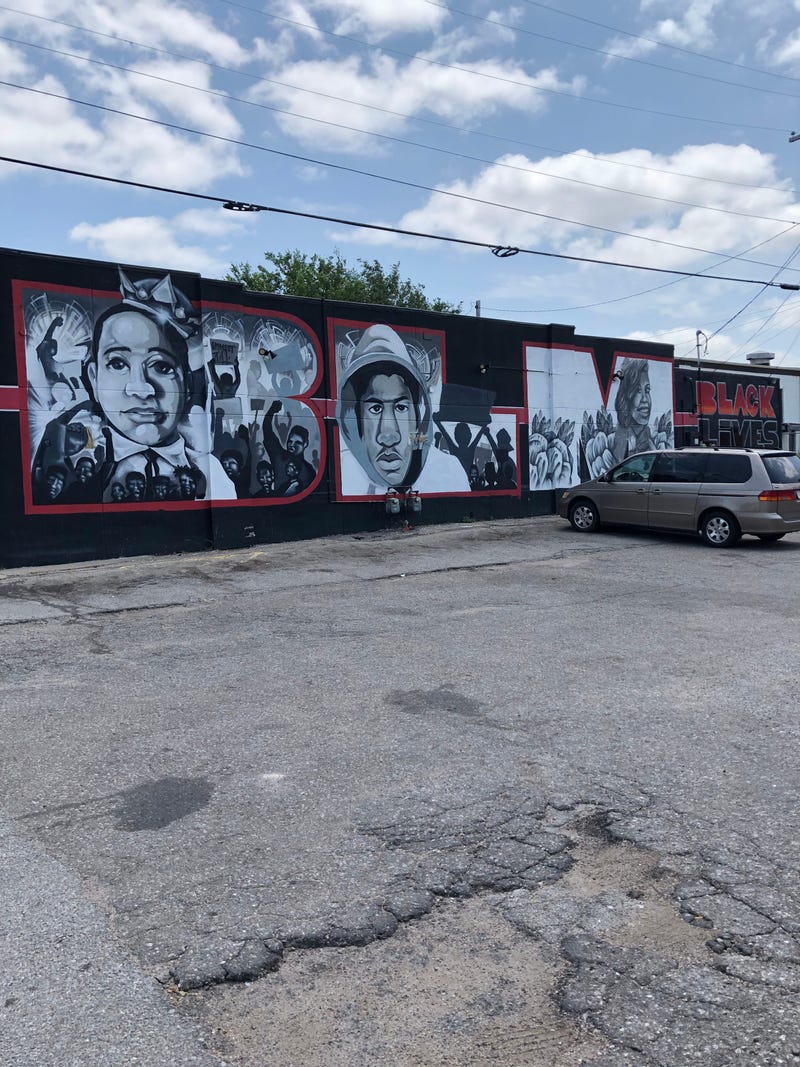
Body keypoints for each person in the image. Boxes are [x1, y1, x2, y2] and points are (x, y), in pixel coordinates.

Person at [31, 271, 235, 504]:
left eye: (161, 366)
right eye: (118, 363)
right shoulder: (72, 468)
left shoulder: (215, 478)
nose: (141, 388)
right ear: (94, 377)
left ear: (187, 383)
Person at [336, 323, 468, 494]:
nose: (389, 436)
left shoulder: (450, 473)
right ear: (352, 421)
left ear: (419, 415)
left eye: (400, 407)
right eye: (375, 408)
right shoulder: (343, 471)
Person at [261, 401, 316, 494]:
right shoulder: (279, 456)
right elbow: (267, 431)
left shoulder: (309, 470)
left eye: (297, 443)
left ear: (305, 444)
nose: (292, 445)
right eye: (290, 441)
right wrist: (271, 411)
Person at [611, 359, 656, 463]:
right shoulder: (622, 439)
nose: (645, 400)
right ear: (626, 397)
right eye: (638, 391)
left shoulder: (646, 438)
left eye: (647, 390)